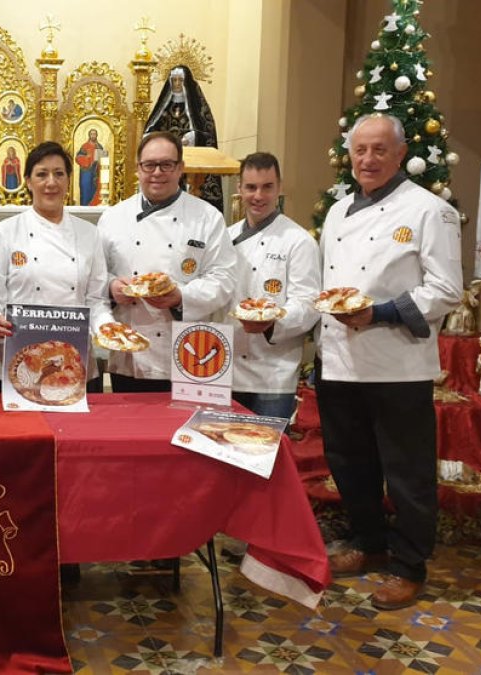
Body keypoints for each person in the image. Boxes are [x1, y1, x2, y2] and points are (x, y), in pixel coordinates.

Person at [316, 113, 462, 610]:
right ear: (349, 154)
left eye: (379, 150)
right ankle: (368, 543)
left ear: (400, 154)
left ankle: (409, 566)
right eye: (360, 150)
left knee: (406, 472)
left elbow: (446, 289)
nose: (368, 159)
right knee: (350, 464)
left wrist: (377, 312)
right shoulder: (337, 213)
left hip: (398, 364)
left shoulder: (429, 211)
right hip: (339, 360)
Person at [98, 131, 236, 392]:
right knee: (131, 430)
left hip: (191, 351)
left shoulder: (207, 217)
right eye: (149, 165)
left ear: (180, 169)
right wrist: (113, 287)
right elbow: (96, 275)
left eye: (166, 165)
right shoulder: (113, 217)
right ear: (138, 169)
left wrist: (180, 297)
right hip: (131, 351)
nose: (157, 172)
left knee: (182, 431)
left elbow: (224, 279)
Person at [0, 141, 113, 391]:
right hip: (18, 356)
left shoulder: (89, 234)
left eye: (59, 174)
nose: (51, 182)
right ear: (28, 181)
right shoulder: (6, 232)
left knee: (77, 430)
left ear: (68, 179)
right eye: (42, 174)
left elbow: (96, 299)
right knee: (23, 430)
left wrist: (106, 326)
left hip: (75, 356)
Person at [226, 152, 320, 418]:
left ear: (279, 187)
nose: (259, 196)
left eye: (267, 187)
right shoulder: (225, 237)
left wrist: (272, 323)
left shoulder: (299, 241)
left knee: (266, 454)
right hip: (228, 368)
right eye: (251, 187)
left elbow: (308, 303)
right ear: (240, 189)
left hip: (273, 372)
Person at [143, 65, 223, 212]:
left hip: (190, 172)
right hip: (165, 167)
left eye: (180, 80)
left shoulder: (198, 109)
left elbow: (207, 133)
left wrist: (192, 137)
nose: (177, 84)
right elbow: (150, 130)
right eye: (174, 80)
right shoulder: (164, 109)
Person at [75, 128, 107, 206]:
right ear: (89, 135)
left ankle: (95, 205)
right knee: (86, 189)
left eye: (95, 134)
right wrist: (87, 158)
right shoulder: (84, 146)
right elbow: (78, 158)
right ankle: (85, 205)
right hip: (86, 172)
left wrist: (103, 156)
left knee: (95, 190)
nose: (93, 136)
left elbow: (103, 159)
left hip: (96, 172)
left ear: (97, 135)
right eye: (92, 134)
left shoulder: (99, 146)